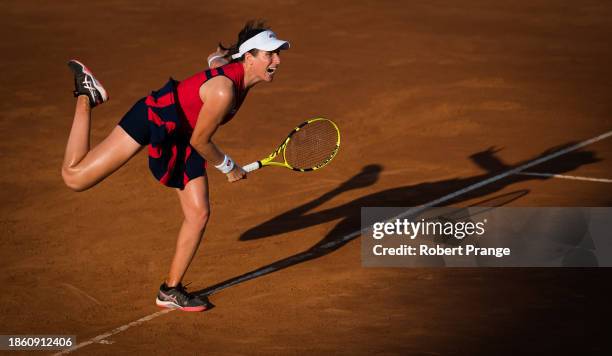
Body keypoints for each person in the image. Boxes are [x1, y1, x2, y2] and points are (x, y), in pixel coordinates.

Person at [61, 20, 290, 312]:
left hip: (182, 135)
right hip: (155, 118)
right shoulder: (224, 92)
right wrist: (228, 166)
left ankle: (169, 290)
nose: (277, 60)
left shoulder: (236, 74)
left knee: (198, 213)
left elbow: (215, 60)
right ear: (249, 58)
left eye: (277, 53)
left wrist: (219, 53)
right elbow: (201, 141)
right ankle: (86, 95)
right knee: (74, 177)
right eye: (270, 54)